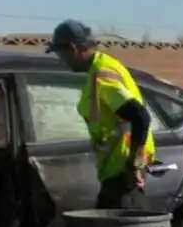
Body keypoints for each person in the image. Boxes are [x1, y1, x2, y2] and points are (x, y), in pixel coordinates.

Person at [47, 19, 155, 209]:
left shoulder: (102, 74)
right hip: (115, 170)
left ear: (73, 48)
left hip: (123, 173)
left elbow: (140, 116)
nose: (61, 60)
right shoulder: (101, 68)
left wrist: (134, 164)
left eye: (60, 54)